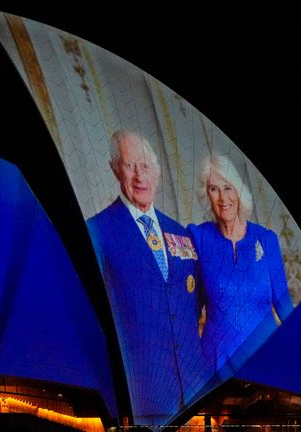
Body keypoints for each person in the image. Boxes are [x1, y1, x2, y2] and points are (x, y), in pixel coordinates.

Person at [86, 130, 207, 424]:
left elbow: (194, 307)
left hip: (196, 395)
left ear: (158, 172)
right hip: (140, 400)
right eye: (130, 166)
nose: (140, 176)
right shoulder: (96, 232)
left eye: (146, 166)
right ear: (116, 169)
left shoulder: (181, 233)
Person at [188, 153, 293, 378]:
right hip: (215, 367)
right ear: (206, 195)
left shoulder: (266, 239)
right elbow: (190, 308)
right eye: (213, 189)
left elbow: (284, 304)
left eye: (227, 188)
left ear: (238, 191)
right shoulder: (198, 237)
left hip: (266, 360)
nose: (222, 198)